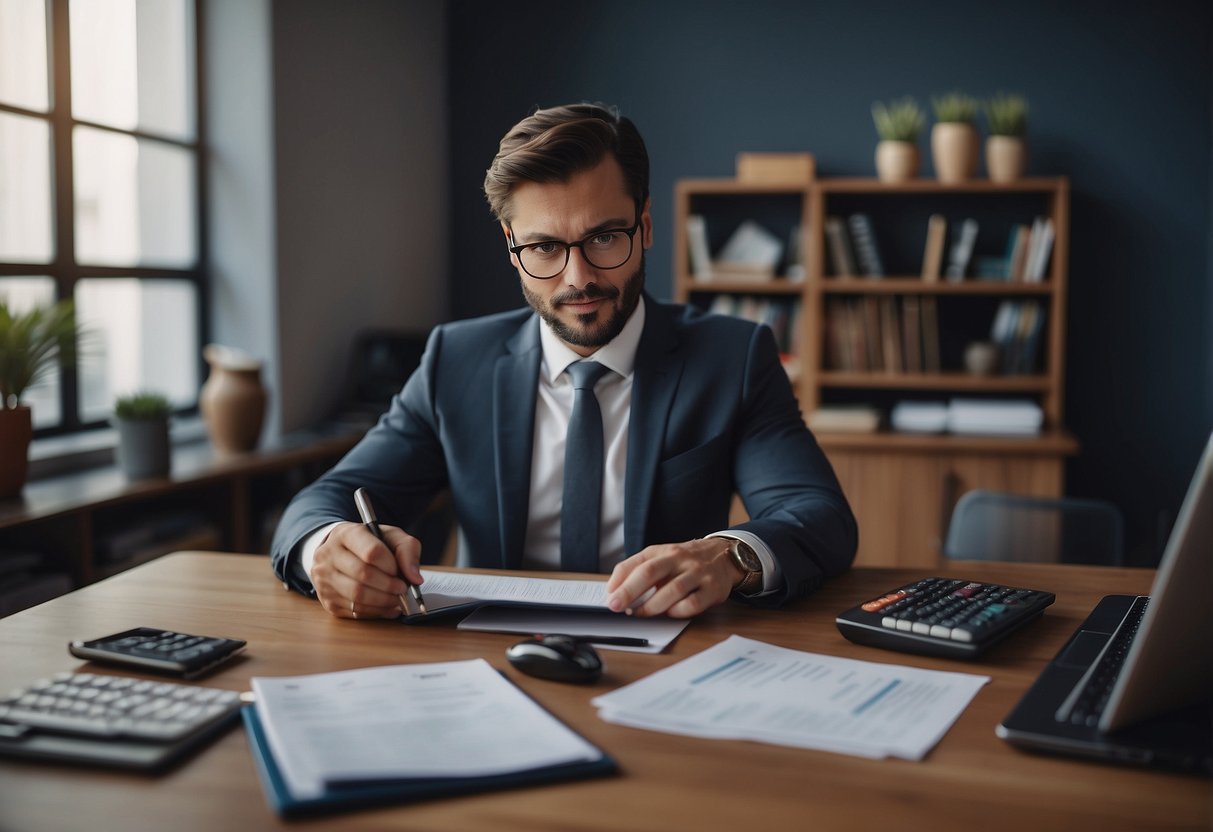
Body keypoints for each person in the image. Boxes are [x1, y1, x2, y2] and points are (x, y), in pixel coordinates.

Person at [271, 102, 857, 620]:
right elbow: (326, 499)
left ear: (645, 226)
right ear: (512, 246)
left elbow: (817, 513)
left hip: (663, 656)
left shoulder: (733, 357)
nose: (578, 279)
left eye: (604, 238)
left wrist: (730, 555)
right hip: (486, 659)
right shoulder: (456, 360)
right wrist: (327, 548)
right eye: (546, 246)